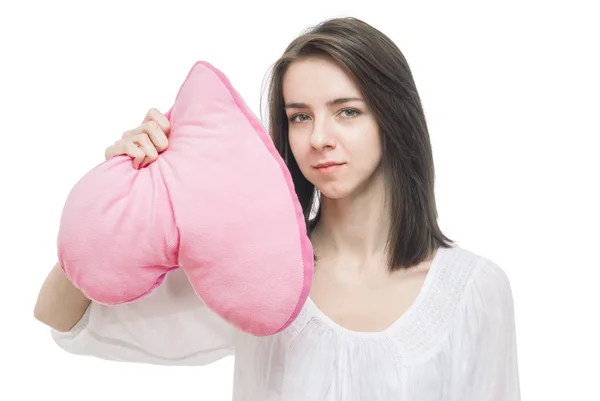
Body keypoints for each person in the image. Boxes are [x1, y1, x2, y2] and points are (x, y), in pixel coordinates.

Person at [34, 16, 521, 400]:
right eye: (299, 117)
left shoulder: (473, 290)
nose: (319, 138)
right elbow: (63, 318)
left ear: (393, 119)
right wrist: (118, 190)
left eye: (347, 111)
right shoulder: (256, 271)